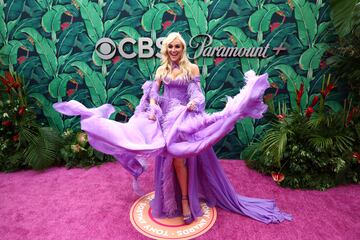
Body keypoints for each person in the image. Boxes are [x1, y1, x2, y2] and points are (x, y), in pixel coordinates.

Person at [53, 32, 293, 225]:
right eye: (171, 47)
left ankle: (186, 201)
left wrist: (194, 103)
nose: (174, 50)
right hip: (164, 118)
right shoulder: (161, 70)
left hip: (183, 117)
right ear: (166, 49)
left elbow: (198, 94)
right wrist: (153, 104)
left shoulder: (192, 69)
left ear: (183, 48)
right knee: (159, 153)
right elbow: (154, 94)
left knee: (179, 158)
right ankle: (173, 200)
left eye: (178, 46)